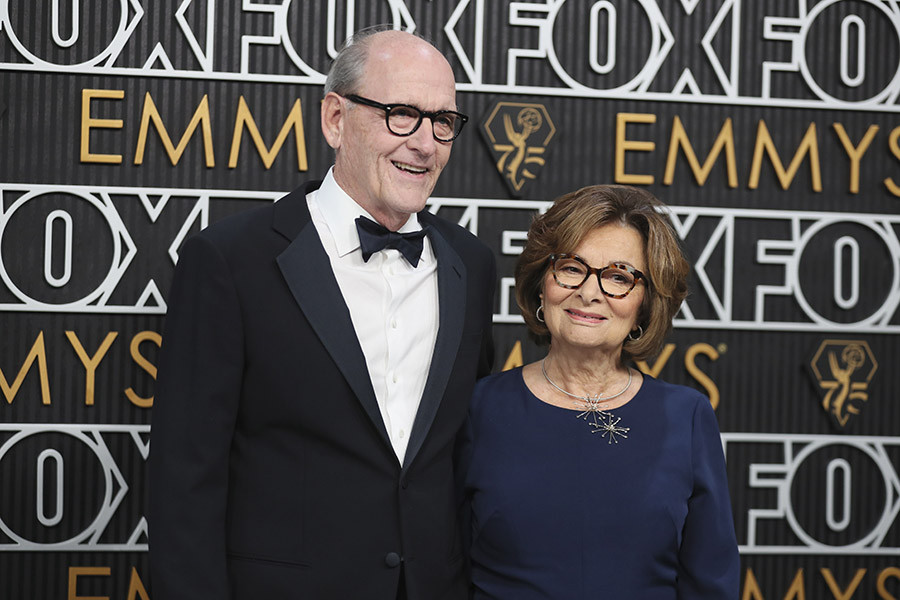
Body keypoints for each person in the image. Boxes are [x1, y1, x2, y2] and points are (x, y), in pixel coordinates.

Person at [148, 28, 495, 600]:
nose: (426, 143)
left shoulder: (471, 265)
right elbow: (185, 481)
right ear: (336, 118)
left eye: (442, 122)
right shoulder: (231, 261)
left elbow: (465, 459)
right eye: (402, 114)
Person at [458, 185, 739, 598]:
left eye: (618, 277)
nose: (589, 292)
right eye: (572, 267)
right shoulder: (478, 407)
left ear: (645, 304)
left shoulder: (688, 417)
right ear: (542, 283)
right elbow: (441, 567)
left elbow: (710, 584)